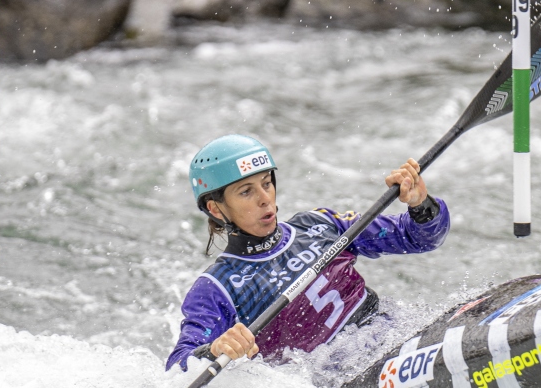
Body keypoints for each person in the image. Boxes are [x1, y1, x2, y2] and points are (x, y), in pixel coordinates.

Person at [166, 134, 450, 371]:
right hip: (342, 381)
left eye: (266, 184)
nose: (265, 198)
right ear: (216, 209)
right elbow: (178, 364)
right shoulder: (217, 288)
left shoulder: (320, 225)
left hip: (395, 334)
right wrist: (215, 349)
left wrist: (420, 203)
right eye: (246, 192)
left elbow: (421, 238)